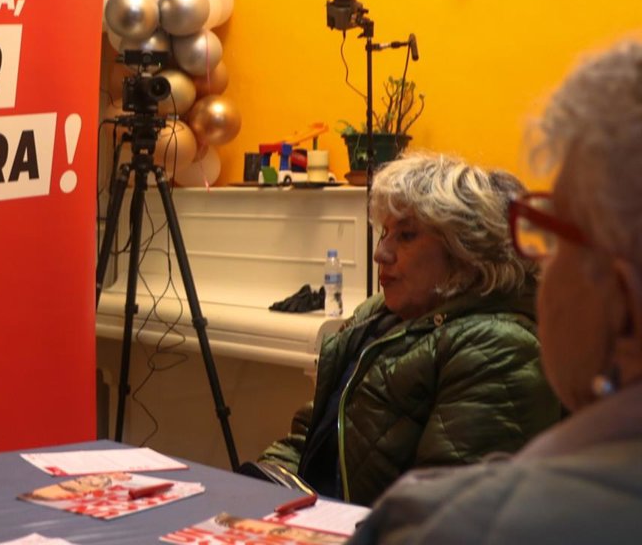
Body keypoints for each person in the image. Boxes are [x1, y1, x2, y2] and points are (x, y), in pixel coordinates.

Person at [350, 37, 642, 543]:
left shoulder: (455, 526)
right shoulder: (373, 318)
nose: (536, 264)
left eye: (550, 231)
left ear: (623, 306)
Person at [255, 153, 561, 505]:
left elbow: (444, 511)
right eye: (385, 233)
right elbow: (309, 440)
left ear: (464, 251)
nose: (381, 253)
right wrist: (255, 488)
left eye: (406, 235)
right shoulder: (377, 316)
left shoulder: (498, 348)